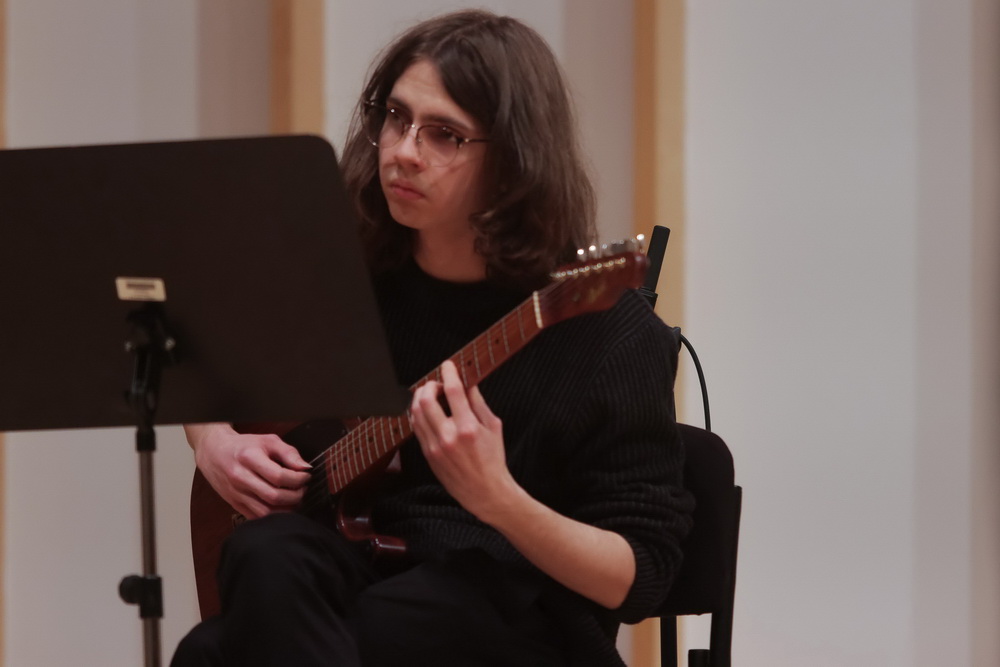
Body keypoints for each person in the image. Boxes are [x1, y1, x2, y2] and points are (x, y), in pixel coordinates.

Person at [172, 9, 692, 667]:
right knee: (260, 548)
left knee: (216, 652)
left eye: (444, 134)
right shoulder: (354, 279)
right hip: (364, 569)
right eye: (396, 117)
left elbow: (640, 575)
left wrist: (498, 498)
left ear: (513, 162)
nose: (403, 152)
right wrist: (214, 442)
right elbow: (196, 351)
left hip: (521, 616)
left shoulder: (609, 335)